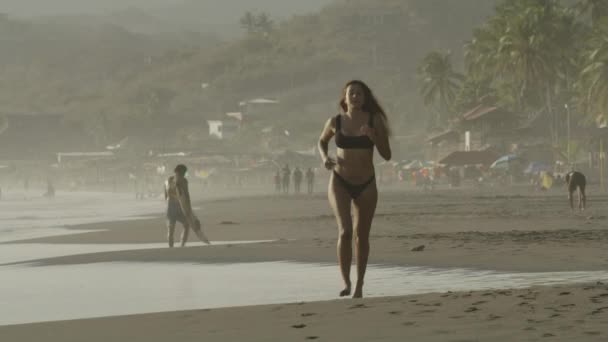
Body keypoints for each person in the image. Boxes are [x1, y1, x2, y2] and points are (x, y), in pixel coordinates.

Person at [318, 80, 392, 299]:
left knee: (362, 235)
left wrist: (374, 137)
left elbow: (387, 155)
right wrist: (324, 158)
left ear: (365, 97)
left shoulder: (374, 120)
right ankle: (346, 282)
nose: (356, 97)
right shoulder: (335, 121)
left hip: (366, 183)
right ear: (345, 97)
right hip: (340, 180)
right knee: (345, 231)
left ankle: (359, 285)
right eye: (352, 93)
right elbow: (322, 142)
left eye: (360, 94)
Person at [164, 164, 210, 247]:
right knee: (186, 225)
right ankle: (182, 245)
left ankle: (171, 247)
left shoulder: (168, 180)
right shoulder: (183, 180)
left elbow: (166, 196)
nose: (184, 174)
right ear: (180, 172)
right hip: (180, 207)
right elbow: (186, 195)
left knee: (171, 228)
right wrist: (189, 210)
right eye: (184, 172)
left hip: (170, 206)